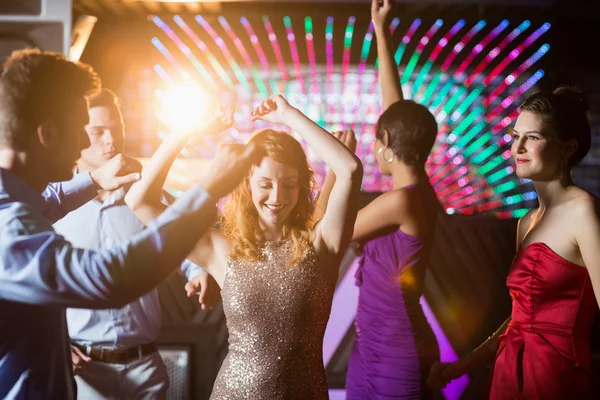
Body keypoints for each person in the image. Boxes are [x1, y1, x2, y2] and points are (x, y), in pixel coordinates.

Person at [0, 48, 260, 399]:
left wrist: (92, 181)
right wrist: (207, 189)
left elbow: (48, 201)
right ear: (47, 134)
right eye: (81, 129)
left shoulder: (17, 201)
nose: (86, 142)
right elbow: (108, 277)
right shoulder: (9, 226)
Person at [124, 94, 363, 399]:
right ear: (247, 183)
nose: (277, 196)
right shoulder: (220, 249)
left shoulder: (322, 244)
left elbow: (350, 168)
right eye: (265, 184)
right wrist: (186, 131)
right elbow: (139, 200)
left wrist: (289, 115)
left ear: (302, 185)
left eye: (289, 184)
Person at [428, 87, 600, 399]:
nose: (518, 147)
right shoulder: (526, 222)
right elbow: (519, 321)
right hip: (509, 373)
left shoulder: (583, 211)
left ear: (567, 147)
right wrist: (460, 367)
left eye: (532, 137)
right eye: (515, 135)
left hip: (558, 379)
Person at [52, 88, 221, 399]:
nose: (110, 140)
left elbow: (180, 233)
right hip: (84, 373)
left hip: (146, 366)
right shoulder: (53, 207)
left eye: (116, 129)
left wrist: (198, 271)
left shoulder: (146, 197)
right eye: (98, 131)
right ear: (76, 134)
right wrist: (53, 344)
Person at [318, 1, 442, 398]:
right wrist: (381, 31)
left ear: (387, 147)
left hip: (396, 350)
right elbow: (396, 112)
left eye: (377, 140)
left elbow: (326, 230)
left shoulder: (401, 203)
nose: (372, 147)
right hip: (372, 345)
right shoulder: (415, 189)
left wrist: (337, 166)